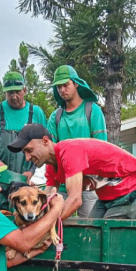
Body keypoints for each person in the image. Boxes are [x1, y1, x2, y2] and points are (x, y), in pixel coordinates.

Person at [8, 123, 136, 220]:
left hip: (134, 183)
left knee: (111, 243)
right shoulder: (51, 167)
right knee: (90, 234)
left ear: (45, 141)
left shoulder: (69, 151)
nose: (27, 158)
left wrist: (44, 227)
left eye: (29, 150)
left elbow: (75, 200)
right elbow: (45, 202)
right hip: (108, 195)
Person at [0, 71, 49, 206]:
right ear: (5, 93)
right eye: (10, 93)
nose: (14, 96)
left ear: (25, 90)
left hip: (27, 181)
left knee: (26, 217)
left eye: (17, 92)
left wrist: (32, 171)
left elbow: (45, 147)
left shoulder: (36, 113)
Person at [47, 64, 107, 217]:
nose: (62, 90)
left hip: (88, 185)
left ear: (76, 83)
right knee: (55, 227)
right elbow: (50, 154)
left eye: (66, 85)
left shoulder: (93, 111)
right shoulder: (55, 117)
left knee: (89, 229)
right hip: (62, 186)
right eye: (59, 87)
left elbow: (101, 150)